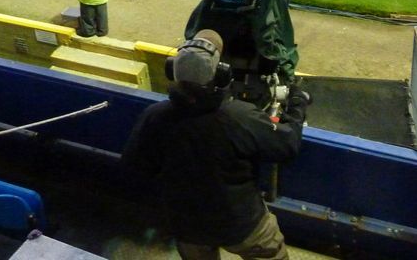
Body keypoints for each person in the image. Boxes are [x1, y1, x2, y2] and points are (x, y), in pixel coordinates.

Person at [122, 29, 310, 260]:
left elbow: (135, 167)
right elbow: (287, 144)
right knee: (270, 253)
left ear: (173, 71)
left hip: (186, 225)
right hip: (242, 224)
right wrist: (298, 104)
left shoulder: (154, 116)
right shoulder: (239, 117)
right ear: (220, 74)